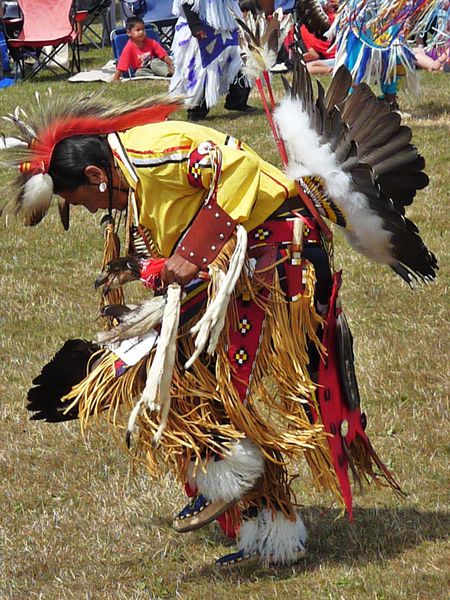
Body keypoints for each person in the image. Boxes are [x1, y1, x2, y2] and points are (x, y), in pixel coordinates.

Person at [1, 60, 437, 566]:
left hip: (277, 266)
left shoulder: (151, 155)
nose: (94, 212)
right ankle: (262, 523)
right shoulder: (133, 173)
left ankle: (262, 514)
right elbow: (182, 232)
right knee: (185, 382)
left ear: (97, 175)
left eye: (83, 200)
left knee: (219, 394)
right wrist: (149, 267)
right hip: (245, 266)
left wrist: (191, 255)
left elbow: (238, 171)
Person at [170, 0, 255, 121]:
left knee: (242, 58)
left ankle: (237, 100)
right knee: (204, 71)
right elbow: (187, 2)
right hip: (203, 25)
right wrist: (195, 25)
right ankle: (197, 111)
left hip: (228, 22)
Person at [112, 16, 174, 81]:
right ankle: (156, 76)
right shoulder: (129, 47)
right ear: (129, 33)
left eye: (143, 29)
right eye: (138, 30)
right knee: (138, 73)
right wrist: (116, 78)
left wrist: (171, 64)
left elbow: (163, 55)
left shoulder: (151, 42)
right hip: (143, 69)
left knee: (155, 62)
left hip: (154, 64)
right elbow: (122, 63)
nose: (141, 32)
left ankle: (169, 73)